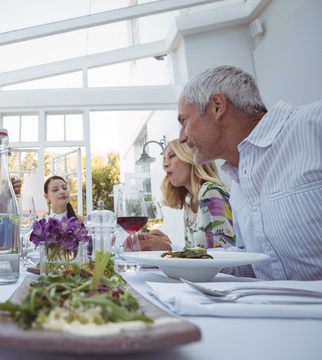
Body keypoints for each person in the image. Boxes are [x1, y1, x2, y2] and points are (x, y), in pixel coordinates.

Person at [177, 65, 322, 281]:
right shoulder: (238, 182)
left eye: (184, 121)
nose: (181, 137)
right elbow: (252, 262)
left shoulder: (314, 125)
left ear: (217, 106)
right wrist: (174, 255)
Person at [138, 139, 236, 252]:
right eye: (164, 159)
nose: (165, 165)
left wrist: (171, 249)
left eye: (172, 156)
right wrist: (168, 245)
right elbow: (195, 256)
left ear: (190, 157)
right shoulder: (190, 206)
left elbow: (227, 258)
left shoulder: (211, 191)